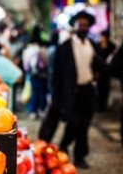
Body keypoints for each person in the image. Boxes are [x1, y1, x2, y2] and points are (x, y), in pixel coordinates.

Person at [38, 10, 104, 169]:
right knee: (73, 123)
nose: (83, 27)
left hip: (87, 91)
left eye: (85, 25)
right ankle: (63, 146)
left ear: (89, 27)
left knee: (84, 126)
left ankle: (79, 155)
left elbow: (98, 65)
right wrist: (54, 94)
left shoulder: (92, 45)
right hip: (70, 92)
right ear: (74, 26)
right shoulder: (64, 47)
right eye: (80, 24)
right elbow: (56, 73)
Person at [22, 24, 48, 119]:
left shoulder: (28, 49)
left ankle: (32, 110)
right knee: (41, 92)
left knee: (33, 91)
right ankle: (41, 109)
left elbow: (25, 62)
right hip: (41, 73)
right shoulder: (40, 49)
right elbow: (45, 62)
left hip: (31, 74)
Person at [95, 30, 116, 112]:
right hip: (99, 70)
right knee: (99, 89)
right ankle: (98, 106)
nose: (102, 38)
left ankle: (103, 105)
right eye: (101, 36)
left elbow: (114, 56)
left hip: (107, 70)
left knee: (105, 88)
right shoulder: (97, 45)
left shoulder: (111, 46)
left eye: (103, 36)